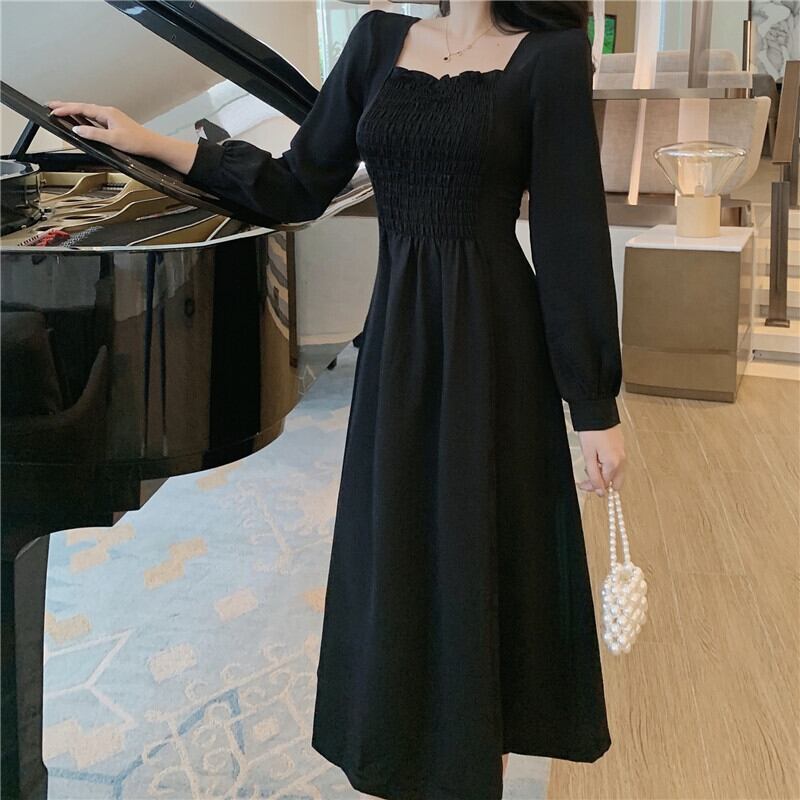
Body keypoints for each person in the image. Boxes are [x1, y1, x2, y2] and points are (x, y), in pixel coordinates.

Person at [49, 1, 627, 798]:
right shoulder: (376, 41)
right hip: (399, 345)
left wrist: (593, 405)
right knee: (400, 551)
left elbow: (571, 230)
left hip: (496, 351)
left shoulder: (552, 56)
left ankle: (477, 768)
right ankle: (410, 756)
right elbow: (296, 184)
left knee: (480, 554)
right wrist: (149, 139)